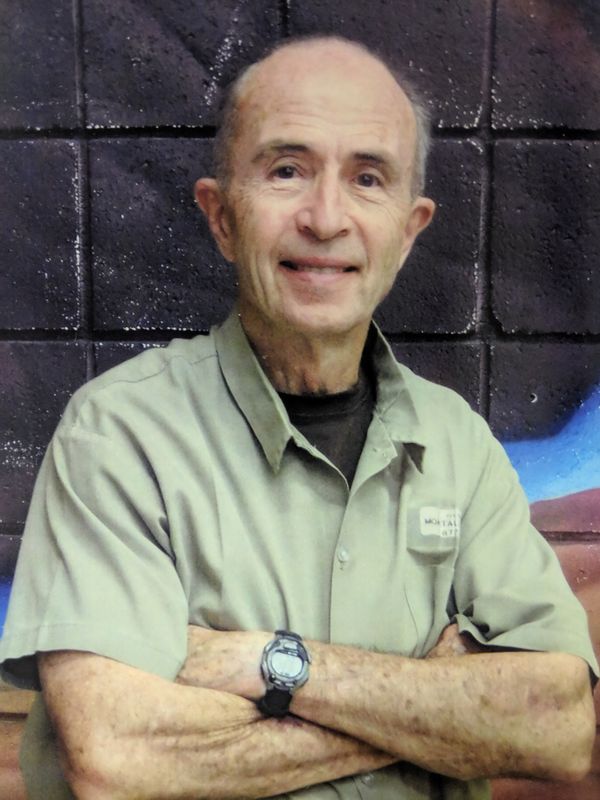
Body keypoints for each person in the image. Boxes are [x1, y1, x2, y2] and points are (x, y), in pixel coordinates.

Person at [0, 35, 597, 800]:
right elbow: (115, 761)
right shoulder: (118, 438)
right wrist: (432, 706)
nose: (326, 218)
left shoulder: (458, 446)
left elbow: (557, 727)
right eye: (287, 170)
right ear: (221, 217)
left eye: (368, 178)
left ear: (409, 231)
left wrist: (267, 664)